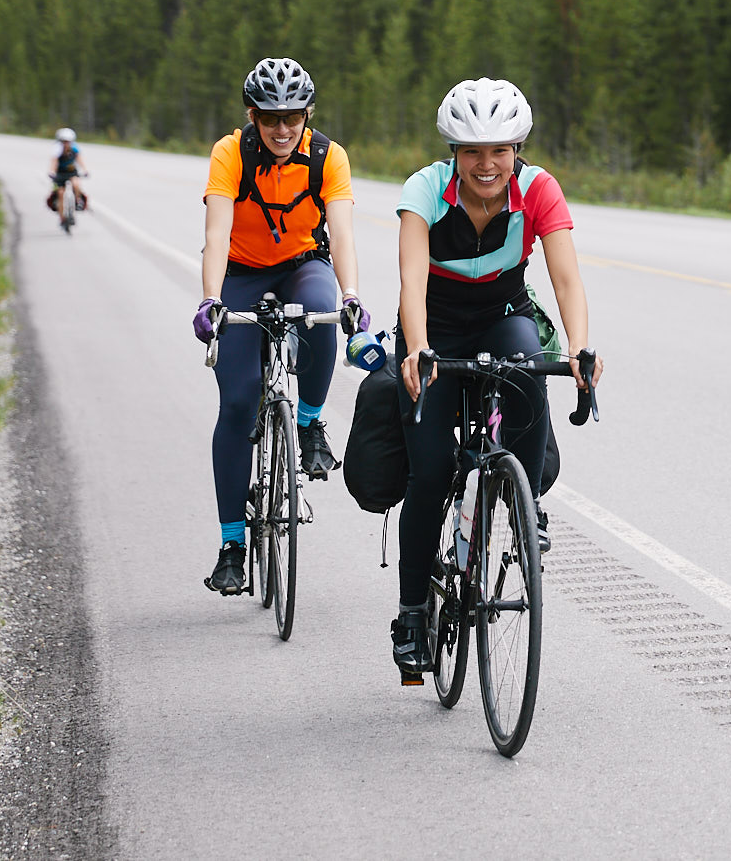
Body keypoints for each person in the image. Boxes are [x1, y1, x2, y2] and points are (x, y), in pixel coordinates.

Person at [388, 77, 599, 679]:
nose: (487, 165)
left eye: (499, 150)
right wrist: (420, 349)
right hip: (434, 323)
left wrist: (580, 349)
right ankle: (410, 615)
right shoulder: (425, 191)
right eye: (473, 152)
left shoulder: (538, 189)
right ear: (453, 152)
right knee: (429, 471)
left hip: (502, 313)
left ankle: (523, 502)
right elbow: (412, 282)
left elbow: (565, 279)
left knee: (529, 363)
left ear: (517, 149)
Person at [190, 58, 369, 597]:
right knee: (239, 403)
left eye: (293, 117)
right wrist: (211, 300)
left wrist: (353, 295)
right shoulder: (231, 153)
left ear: (308, 115)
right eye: (270, 119)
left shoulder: (326, 156)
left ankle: (310, 422)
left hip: (301, 264)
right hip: (241, 272)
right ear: (253, 117)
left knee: (322, 310)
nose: (283, 129)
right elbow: (217, 232)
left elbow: (341, 233)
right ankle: (231, 546)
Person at [46, 127, 87, 215]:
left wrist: (85, 170)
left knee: (76, 184)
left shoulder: (74, 149)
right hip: (59, 173)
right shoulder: (57, 149)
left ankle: (78, 201)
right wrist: (52, 171)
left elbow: (79, 159)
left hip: (71, 171)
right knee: (60, 193)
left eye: (68, 141)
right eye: (64, 141)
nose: (66, 144)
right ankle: (63, 218)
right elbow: (54, 161)